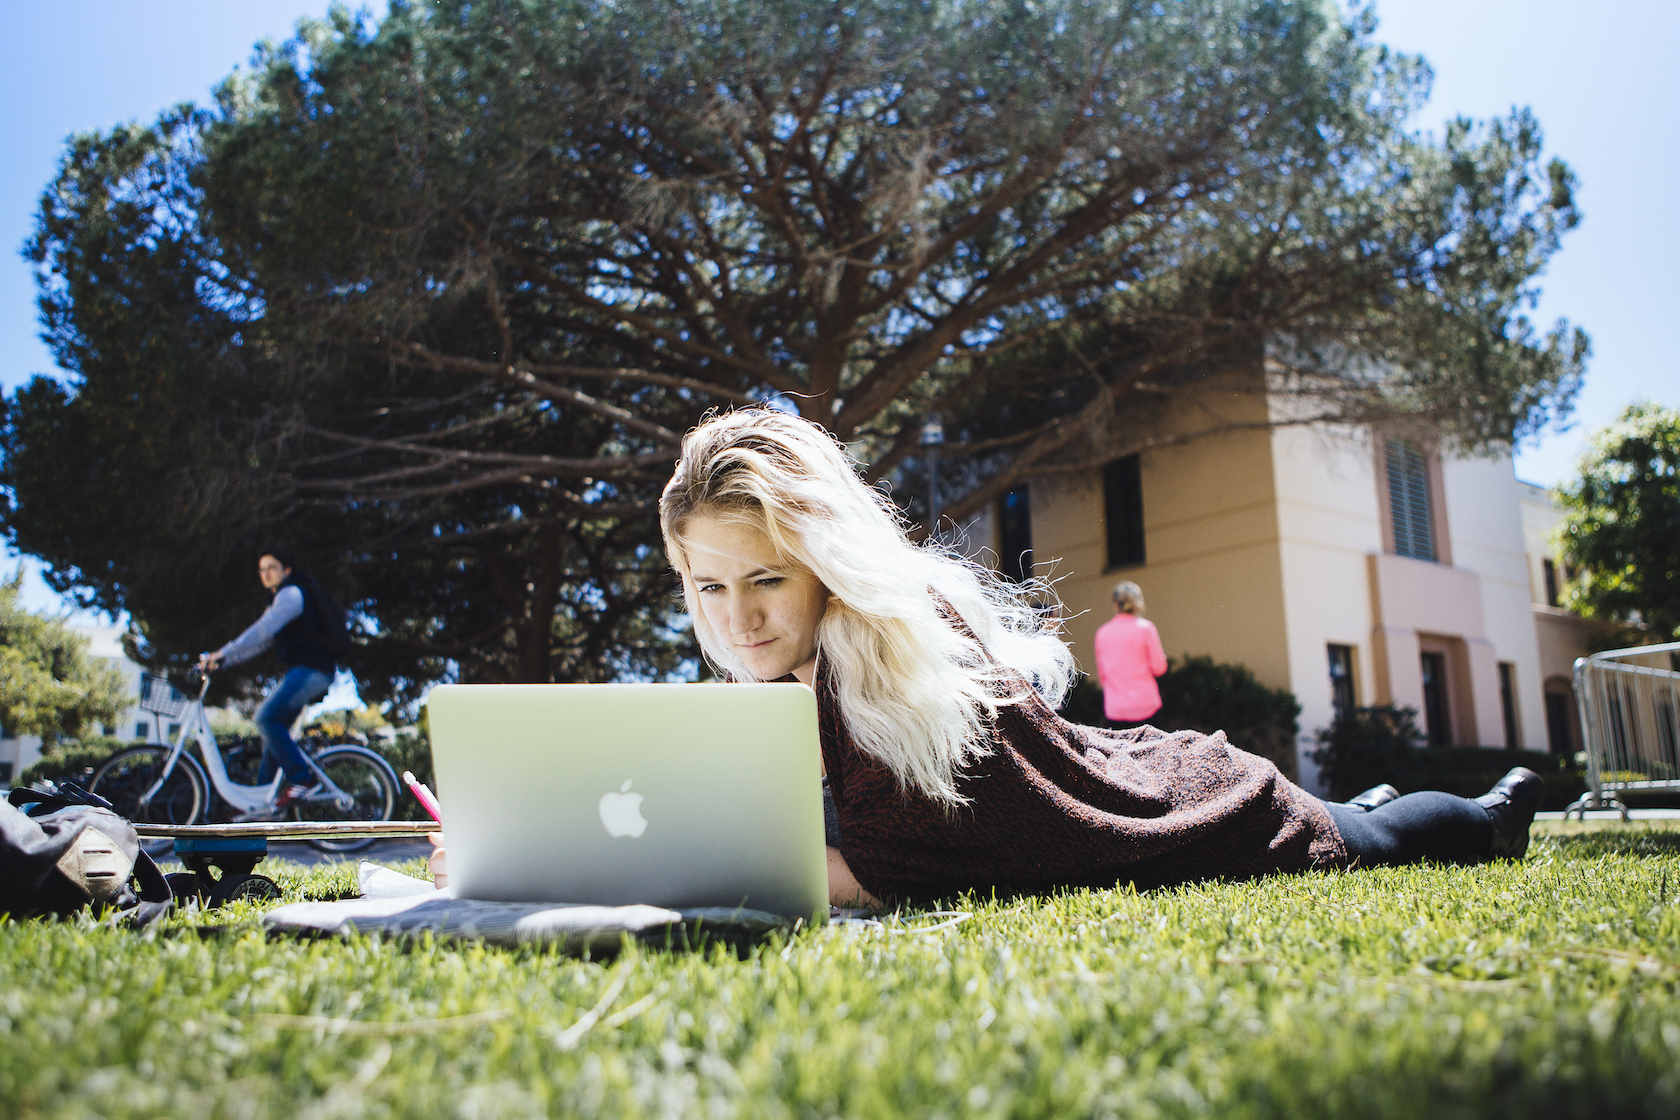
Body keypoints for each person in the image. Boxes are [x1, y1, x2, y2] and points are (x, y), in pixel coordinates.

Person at [432, 409, 1544, 908]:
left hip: (1186, 804)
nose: (739, 619)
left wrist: (592, 866)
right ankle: (1375, 798)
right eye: (707, 587)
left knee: (1378, 832)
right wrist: (528, 841)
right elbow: (722, 822)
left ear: (826, 563)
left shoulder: (895, 650)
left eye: (766, 579)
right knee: (1358, 806)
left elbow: (871, 873)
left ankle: (1494, 812)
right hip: (1117, 766)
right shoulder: (774, 680)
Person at [197, 549, 342, 821]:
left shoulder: (291, 594)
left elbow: (261, 631)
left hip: (312, 670)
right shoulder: (279, 597)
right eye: (261, 569)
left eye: (271, 567)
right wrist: (224, 661)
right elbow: (262, 643)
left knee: (265, 717)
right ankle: (262, 806)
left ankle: (302, 780)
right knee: (274, 738)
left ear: (287, 570)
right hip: (306, 671)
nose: (265, 574)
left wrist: (221, 651)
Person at [1092, 580, 1167, 727]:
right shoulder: (1146, 628)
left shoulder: (1102, 633)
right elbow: (1160, 668)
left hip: (1116, 709)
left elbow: (1103, 678)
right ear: (1138, 604)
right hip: (1146, 705)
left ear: (1115, 605)